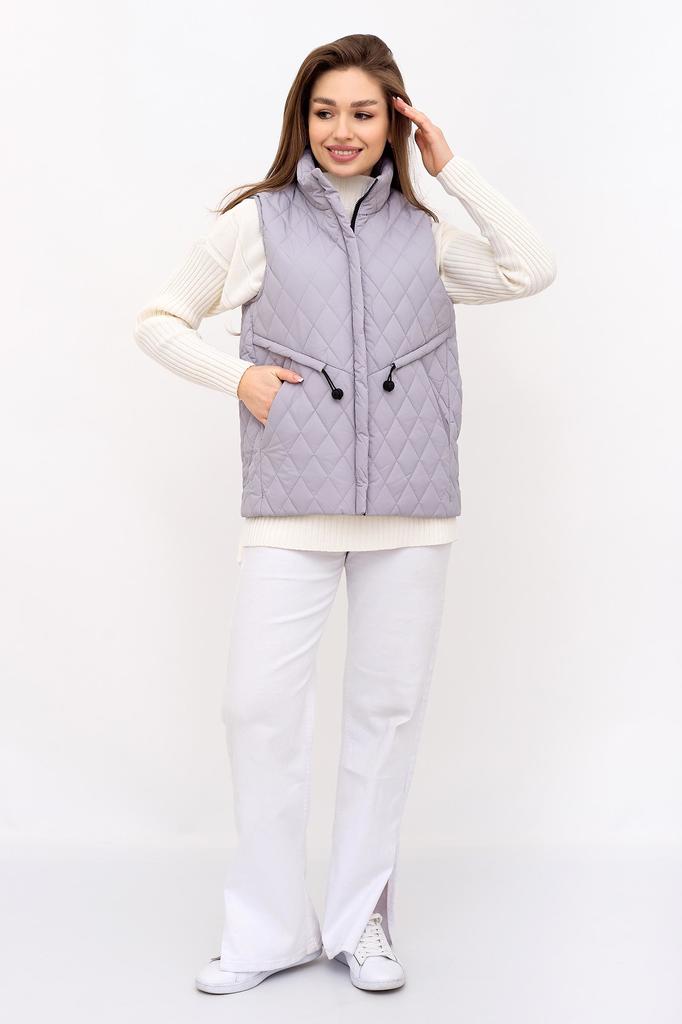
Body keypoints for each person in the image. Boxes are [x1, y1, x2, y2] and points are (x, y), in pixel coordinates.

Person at [133, 33, 556, 995]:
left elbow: (531, 268)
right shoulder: (257, 223)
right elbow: (159, 320)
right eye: (325, 111)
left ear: (395, 121)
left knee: (386, 715)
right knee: (257, 710)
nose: (342, 130)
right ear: (302, 119)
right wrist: (240, 378)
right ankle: (267, 931)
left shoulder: (426, 233)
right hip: (292, 506)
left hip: (412, 513)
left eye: (364, 112)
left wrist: (453, 169)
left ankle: (361, 920)